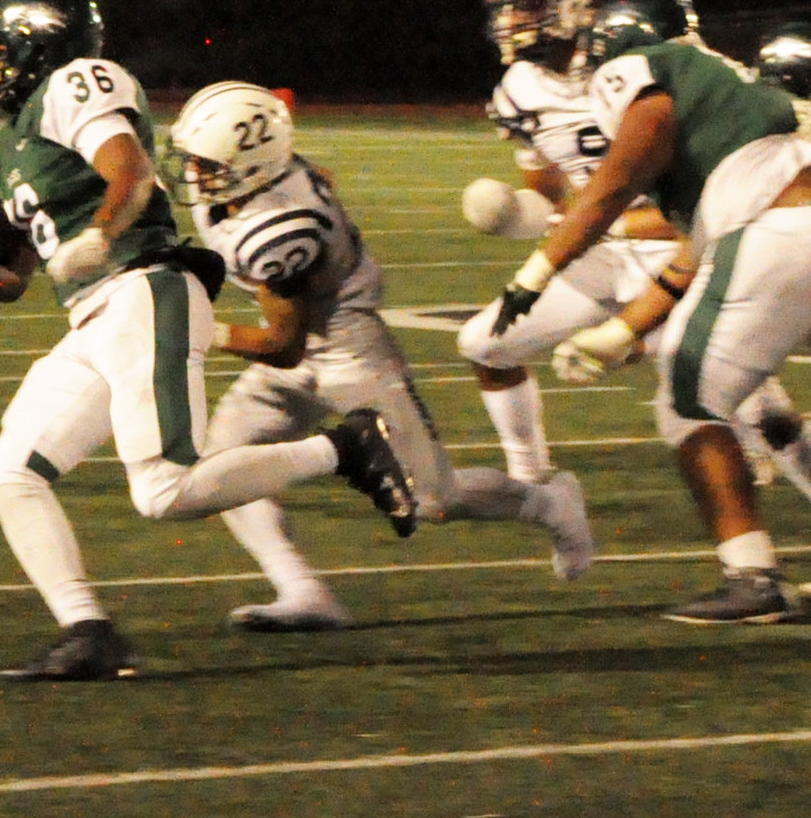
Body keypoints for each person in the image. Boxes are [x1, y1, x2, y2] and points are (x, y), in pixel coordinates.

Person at [0, 0, 418, 681]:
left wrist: (99, 235)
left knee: (163, 491)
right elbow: (12, 281)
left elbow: (131, 172)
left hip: (142, 289)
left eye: (3, 51)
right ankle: (89, 632)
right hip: (94, 317)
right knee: (8, 470)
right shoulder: (15, 141)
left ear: (42, 48)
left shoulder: (75, 82)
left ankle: (345, 447)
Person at [483, 0, 811, 624]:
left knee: (688, 403)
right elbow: (697, 244)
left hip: (779, 237)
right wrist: (621, 330)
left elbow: (621, 177)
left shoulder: (642, 67)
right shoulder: (734, 90)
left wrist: (538, 270)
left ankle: (753, 575)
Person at [172, 80, 593, 631]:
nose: (195, 173)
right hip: (307, 337)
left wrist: (198, 331)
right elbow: (320, 177)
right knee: (222, 470)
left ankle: (547, 503)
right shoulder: (269, 177)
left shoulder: (279, 230)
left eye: (207, 164)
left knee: (433, 500)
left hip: (348, 350)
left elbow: (281, 346)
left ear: (252, 165)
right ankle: (303, 592)